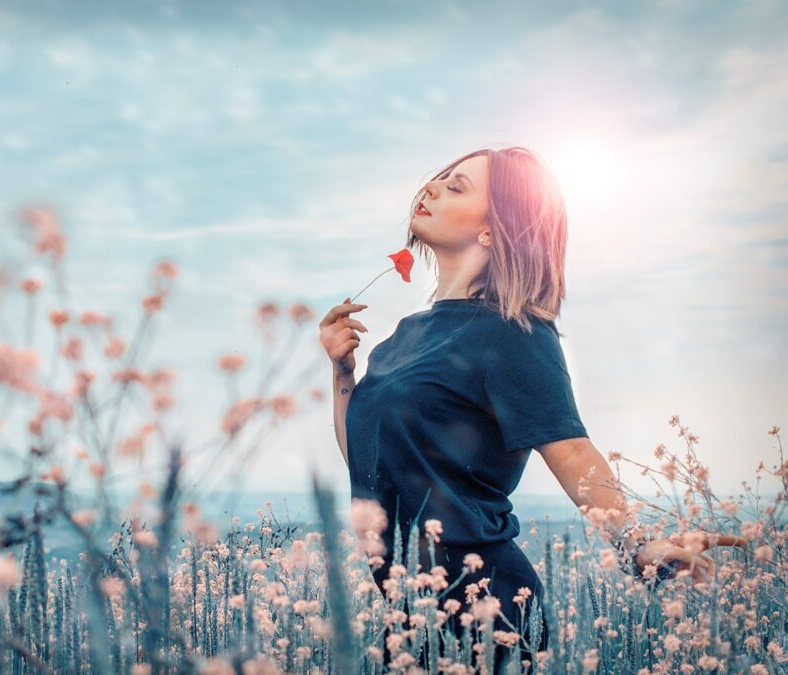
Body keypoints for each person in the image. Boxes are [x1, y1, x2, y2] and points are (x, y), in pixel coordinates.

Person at [318, 147, 748, 673]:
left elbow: (570, 449)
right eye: (439, 179)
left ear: (492, 231)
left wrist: (635, 544)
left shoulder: (514, 330)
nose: (430, 188)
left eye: (456, 187)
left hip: (486, 609)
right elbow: (367, 462)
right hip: (407, 613)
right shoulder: (405, 336)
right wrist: (343, 374)